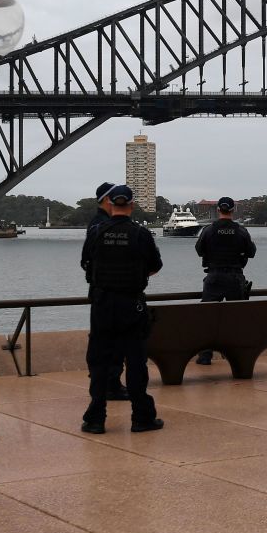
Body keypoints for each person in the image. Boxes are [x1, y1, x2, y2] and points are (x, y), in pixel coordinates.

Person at [80, 185, 164, 434]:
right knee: (136, 361)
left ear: (110, 204)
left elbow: (86, 264)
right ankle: (141, 417)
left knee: (99, 362)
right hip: (132, 304)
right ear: (131, 205)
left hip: (102, 305)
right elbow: (155, 266)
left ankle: (96, 418)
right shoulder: (140, 234)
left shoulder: (96, 232)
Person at [194, 196, 257, 365]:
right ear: (233, 210)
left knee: (207, 317)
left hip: (213, 277)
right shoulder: (242, 231)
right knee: (236, 318)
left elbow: (199, 250)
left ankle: (205, 356)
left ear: (218, 210)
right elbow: (251, 252)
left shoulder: (208, 230)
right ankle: (235, 356)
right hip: (235, 278)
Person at [82, 181, 128, 400]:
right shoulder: (105, 226)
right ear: (108, 200)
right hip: (118, 294)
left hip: (100, 292)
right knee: (115, 341)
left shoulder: (96, 226)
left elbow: (85, 260)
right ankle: (111, 384)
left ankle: (105, 384)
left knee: (101, 340)